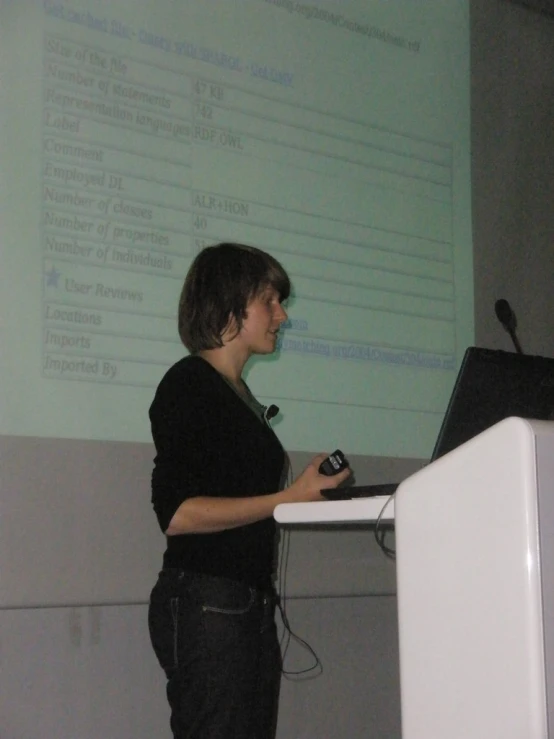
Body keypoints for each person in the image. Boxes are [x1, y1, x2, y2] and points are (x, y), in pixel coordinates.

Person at [147, 242, 350, 739]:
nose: (281, 315)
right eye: (270, 301)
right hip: (209, 606)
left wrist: (303, 490)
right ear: (231, 303)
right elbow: (176, 513)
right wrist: (287, 498)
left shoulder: (237, 395)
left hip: (244, 608)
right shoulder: (188, 382)